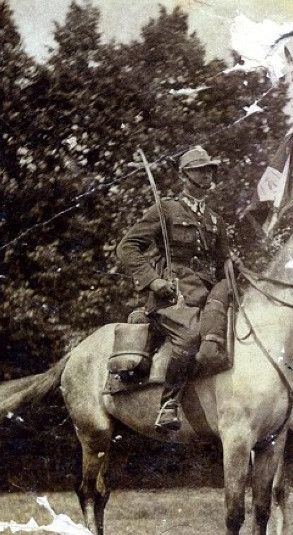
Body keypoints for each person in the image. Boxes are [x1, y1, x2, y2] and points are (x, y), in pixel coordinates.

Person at [117, 145, 234, 432]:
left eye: (210, 170)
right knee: (191, 335)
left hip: (208, 298)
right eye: (200, 170)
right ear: (184, 176)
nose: (207, 175)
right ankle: (168, 405)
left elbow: (223, 264)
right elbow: (127, 247)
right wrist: (153, 281)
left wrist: (236, 269)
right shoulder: (166, 209)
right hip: (172, 296)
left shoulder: (215, 220)